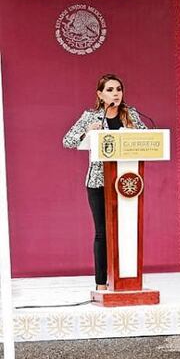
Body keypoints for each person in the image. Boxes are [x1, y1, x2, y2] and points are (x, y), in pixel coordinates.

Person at [62, 74, 147, 291]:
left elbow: (148, 139)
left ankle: (126, 280)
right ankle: (101, 283)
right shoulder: (91, 117)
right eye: (110, 90)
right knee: (103, 232)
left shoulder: (131, 115)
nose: (115, 93)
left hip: (127, 181)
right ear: (100, 94)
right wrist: (88, 133)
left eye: (118, 89)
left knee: (126, 230)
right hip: (99, 181)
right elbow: (68, 140)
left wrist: (138, 135)